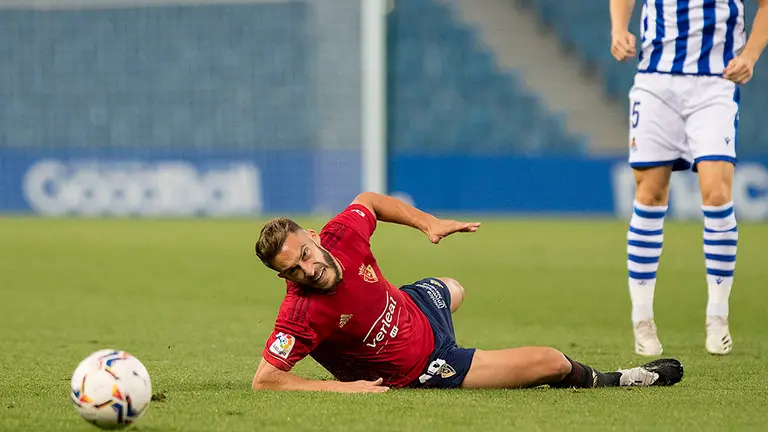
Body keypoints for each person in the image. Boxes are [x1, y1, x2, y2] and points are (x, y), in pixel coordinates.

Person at [250, 192, 683, 392]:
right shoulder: (301, 314)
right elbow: (266, 380)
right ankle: (618, 380)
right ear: (283, 276)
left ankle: (424, 301)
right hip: (423, 366)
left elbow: (371, 201)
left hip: (413, 309)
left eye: (307, 253)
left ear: (313, 235)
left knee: (455, 287)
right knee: (550, 360)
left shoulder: (341, 234)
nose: (310, 269)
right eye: (294, 270)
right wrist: (345, 389)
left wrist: (428, 222)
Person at [610, 0, 768, 356]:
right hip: (655, 82)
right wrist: (619, 29)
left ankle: (717, 314)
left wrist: (751, 55)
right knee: (649, 195)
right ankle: (642, 319)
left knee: (717, 192)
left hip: (715, 81)